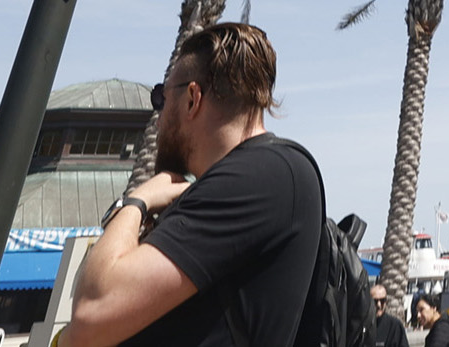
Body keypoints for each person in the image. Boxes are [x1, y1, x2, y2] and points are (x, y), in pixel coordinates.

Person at [62, 21, 323, 347]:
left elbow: (91, 314)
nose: (159, 113)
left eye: (161, 96)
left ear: (191, 98)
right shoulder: (254, 176)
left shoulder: (261, 174)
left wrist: (136, 202)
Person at [373, 282, 410, 347]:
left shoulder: (395, 325)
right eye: (375, 301)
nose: (379, 305)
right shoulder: (361, 325)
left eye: (382, 301)